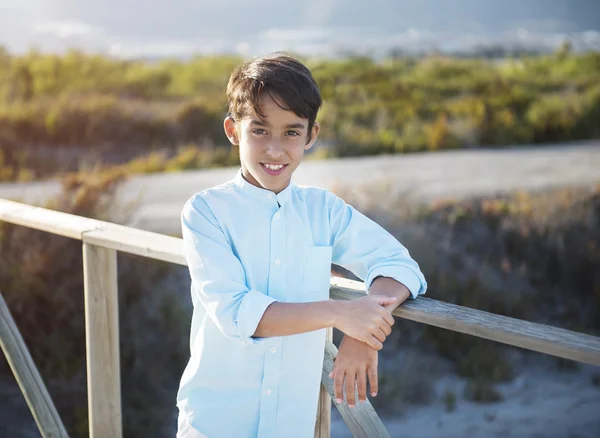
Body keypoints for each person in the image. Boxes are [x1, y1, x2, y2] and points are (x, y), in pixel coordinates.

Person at [177, 53, 427, 438]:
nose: (275, 150)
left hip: (290, 427)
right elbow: (237, 312)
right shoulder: (206, 212)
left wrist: (363, 331)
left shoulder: (323, 211)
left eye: (291, 132)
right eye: (259, 130)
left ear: (311, 135)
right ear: (232, 130)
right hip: (215, 424)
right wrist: (340, 315)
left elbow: (397, 264)